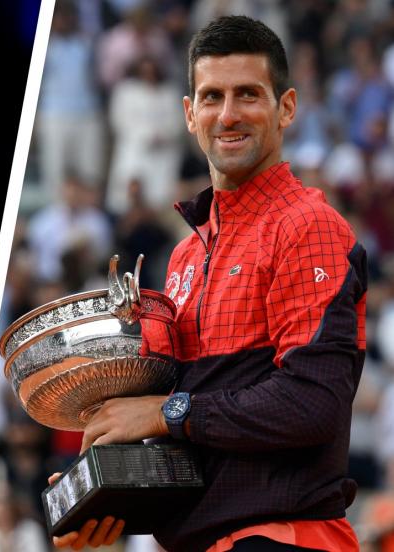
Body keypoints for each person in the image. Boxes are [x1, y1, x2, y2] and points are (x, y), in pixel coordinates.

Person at [52, 16, 367, 552]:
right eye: (212, 96)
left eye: (248, 94)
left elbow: (313, 404)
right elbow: (196, 432)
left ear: (286, 107)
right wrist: (106, 485)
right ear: (189, 114)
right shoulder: (185, 254)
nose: (228, 115)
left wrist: (163, 412)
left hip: (284, 537)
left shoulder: (306, 225)